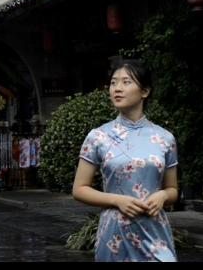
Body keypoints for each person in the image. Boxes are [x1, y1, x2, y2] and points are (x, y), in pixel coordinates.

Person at [72, 61, 179, 262]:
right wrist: (117, 200)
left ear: (145, 91)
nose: (117, 88)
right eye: (113, 83)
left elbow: (173, 190)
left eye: (126, 82)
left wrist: (163, 196)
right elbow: (79, 189)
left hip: (154, 233)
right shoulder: (98, 137)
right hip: (115, 234)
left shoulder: (165, 138)